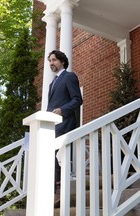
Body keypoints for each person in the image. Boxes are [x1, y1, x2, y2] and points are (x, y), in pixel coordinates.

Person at [46, 50, 83, 206]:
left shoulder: (69, 77)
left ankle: (60, 189)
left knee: (56, 156)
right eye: (49, 60)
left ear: (62, 61)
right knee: (49, 157)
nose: (51, 63)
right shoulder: (51, 83)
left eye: (53, 60)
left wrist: (62, 109)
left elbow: (77, 100)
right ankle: (53, 190)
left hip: (65, 123)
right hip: (51, 125)